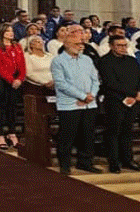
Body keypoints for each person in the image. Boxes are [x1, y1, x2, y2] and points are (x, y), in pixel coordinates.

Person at [50, 26, 100, 175]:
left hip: (89, 104)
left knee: (88, 135)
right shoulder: (58, 61)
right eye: (77, 44)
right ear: (66, 44)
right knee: (67, 136)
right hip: (69, 104)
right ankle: (65, 164)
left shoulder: (87, 59)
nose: (80, 47)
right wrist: (82, 96)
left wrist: (91, 95)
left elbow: (95, 80)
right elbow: (61, 83)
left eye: (81, 44)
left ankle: (85, 162)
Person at [98, 35, 140, 173]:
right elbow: (110, 82)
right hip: (115, 100)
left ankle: (128, 160)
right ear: (111, 46)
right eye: (119, 45)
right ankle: (114, 162)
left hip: (133, 101)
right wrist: (132, 93)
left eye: (125, 45)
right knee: (113, 132)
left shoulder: (131, 60)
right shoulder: (104, 61)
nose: (123, 48)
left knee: (127, 131)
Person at [0, 24, 25, 150]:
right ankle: (0, 134)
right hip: (1, 79)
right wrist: (11, 79)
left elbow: (22, 64)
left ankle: (12, 133)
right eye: (8, 31)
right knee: (1, 106)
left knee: (13, 107)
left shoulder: (17, 46)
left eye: (12, 31)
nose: (11, 33)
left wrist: (20, 78)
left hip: (16, 79)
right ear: (2, 32)